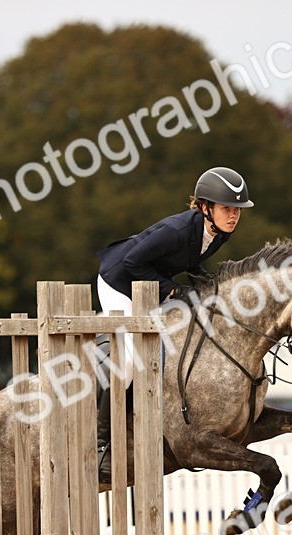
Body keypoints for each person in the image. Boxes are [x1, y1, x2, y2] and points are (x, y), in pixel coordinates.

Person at [94, 166, 254, 480]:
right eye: (226, 208)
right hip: (118, 283)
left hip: (147, 282)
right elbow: (131, 262)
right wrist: (171, 289)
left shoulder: (219, 232)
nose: (233, 215)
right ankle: (101, 444)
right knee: (127, 360)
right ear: (206, 208)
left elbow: (189, 261)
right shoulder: (177, 230)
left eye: (237, 210)